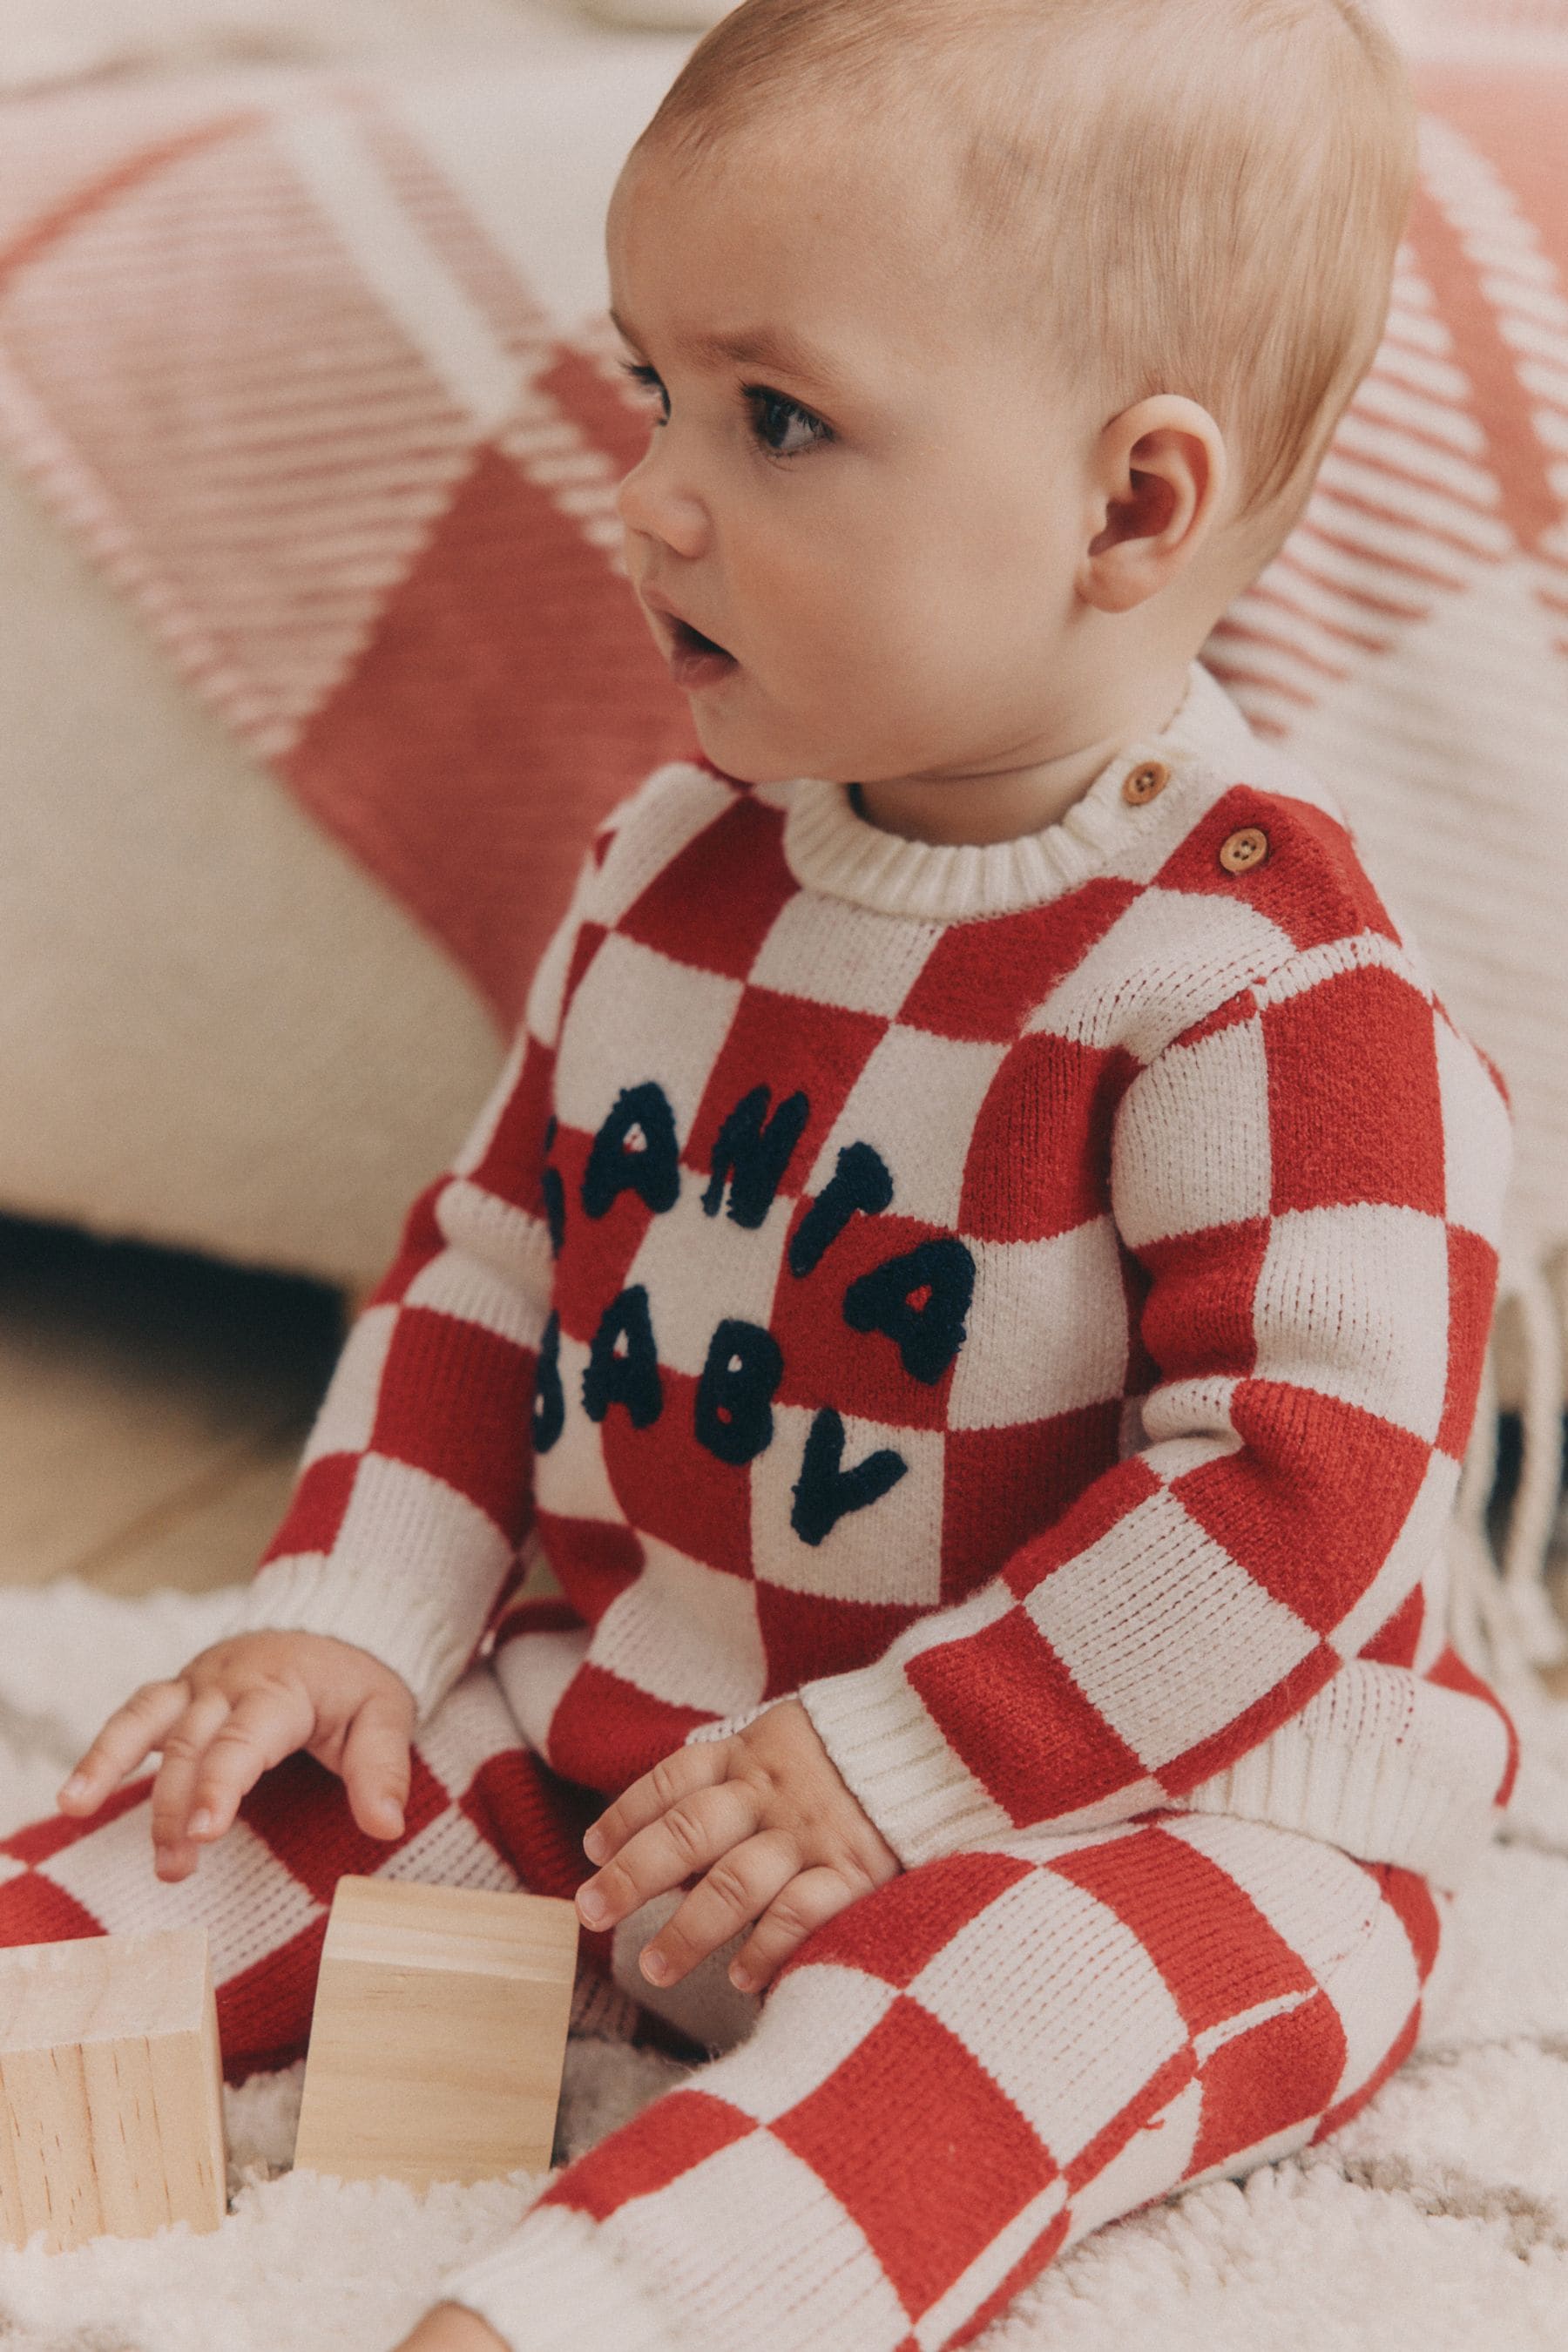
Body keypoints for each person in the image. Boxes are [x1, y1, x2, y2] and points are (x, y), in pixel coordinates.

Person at [4, 1, 1523, 2345]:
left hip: (1148, 1807)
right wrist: (354, 1613)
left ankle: (585, 2311)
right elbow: (495, 1265)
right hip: (664, 1724)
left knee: (1002, 2024)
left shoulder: (1270, 989)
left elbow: (1297, 1500)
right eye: (655, 394)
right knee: (241, 1802)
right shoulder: (669, 865)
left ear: (1133, 506)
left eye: (778, 419)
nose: (654, 496)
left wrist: (902, 1761)